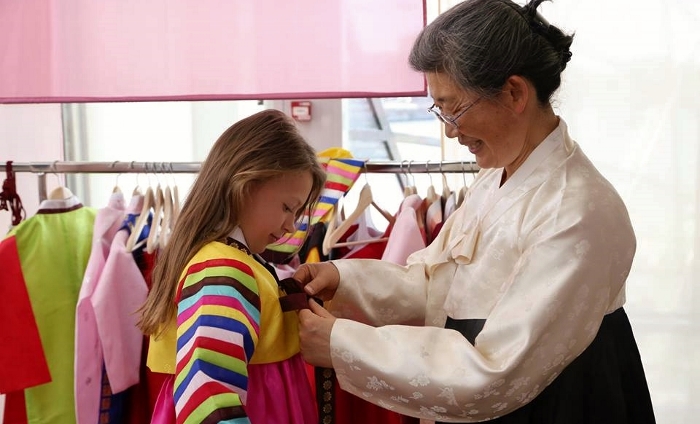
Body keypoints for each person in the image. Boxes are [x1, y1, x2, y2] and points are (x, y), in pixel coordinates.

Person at [294, 0, 656, 423]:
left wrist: (343, 344)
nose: (448, 128)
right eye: (440, 109)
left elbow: (497, 371)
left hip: (559, 404)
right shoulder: (495, 177)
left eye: (454, 107)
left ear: (514, 92)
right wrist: (342, 280)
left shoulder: (578, 211)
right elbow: (437, 285)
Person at [138, 109, 326, 424]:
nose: (291, 226)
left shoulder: (237, 261)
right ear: (245, 184)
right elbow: (206, 389)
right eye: (286, 207)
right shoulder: (223, 268)